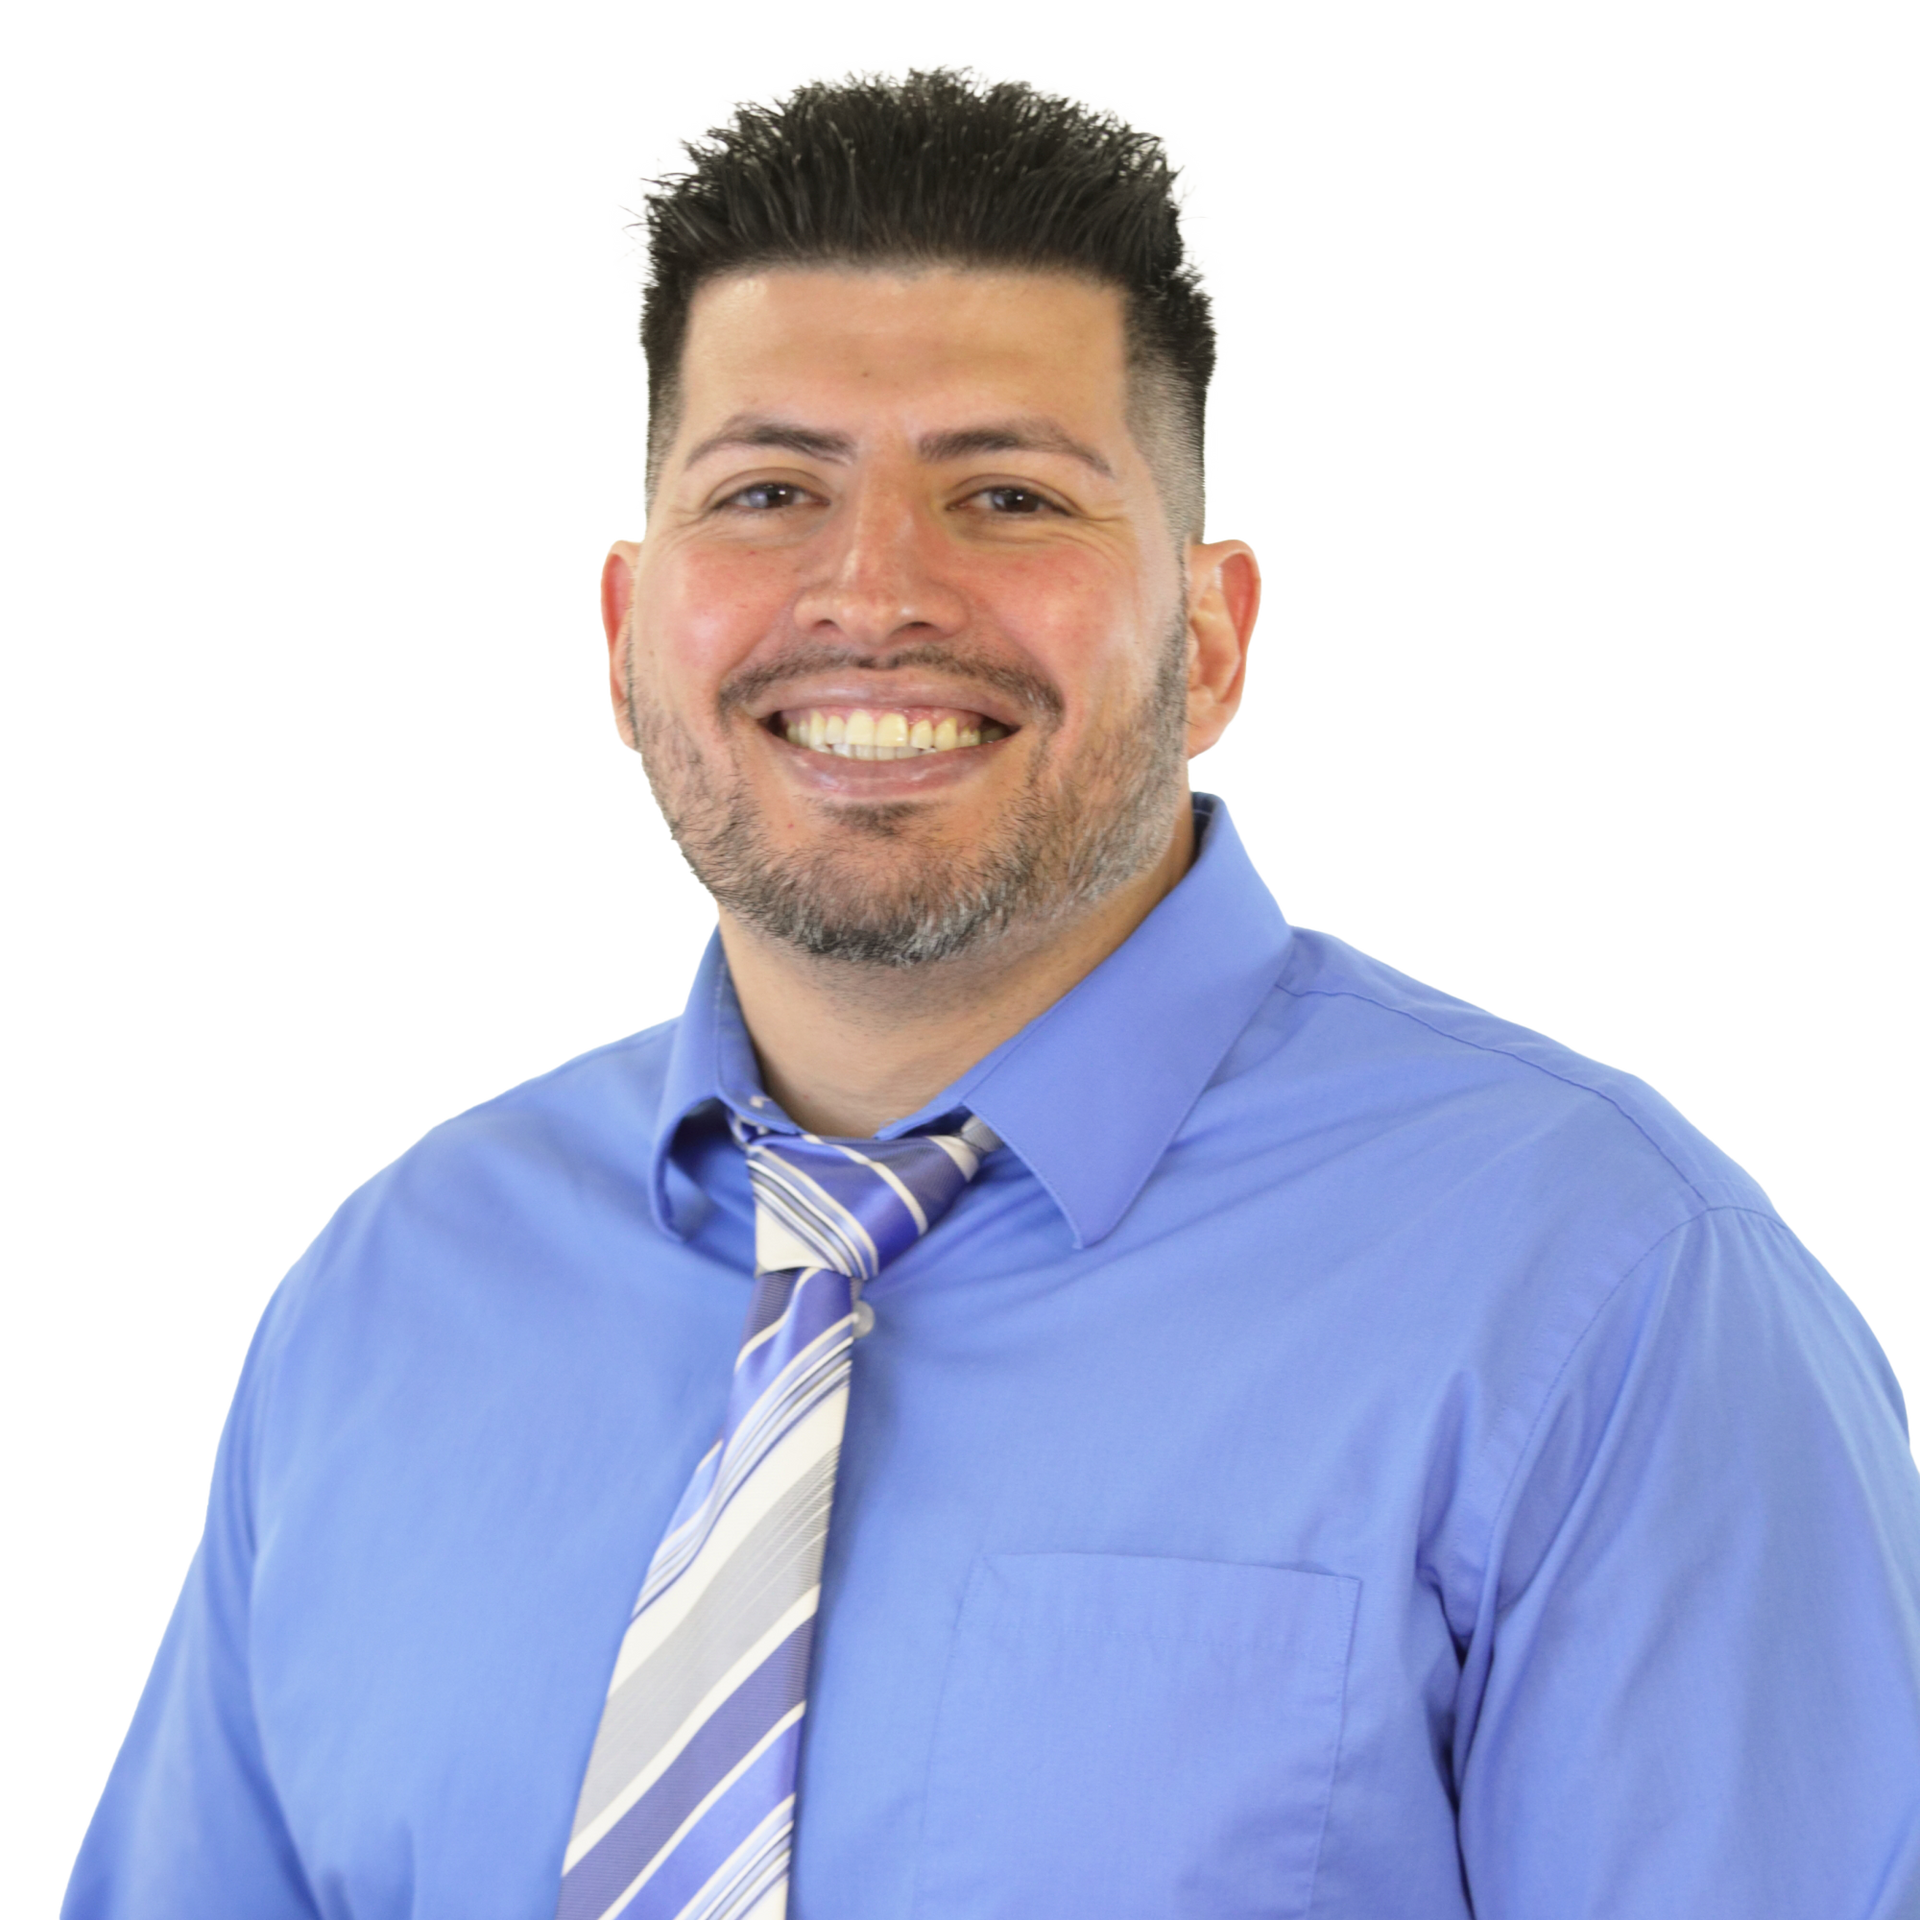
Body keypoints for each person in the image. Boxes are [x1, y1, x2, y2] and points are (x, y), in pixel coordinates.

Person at [64, 55, 1918, 1920]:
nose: (873, 592)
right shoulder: (387, 1299)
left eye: (1010, 496)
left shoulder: (1609, 1299)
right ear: (629, 641)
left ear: (1209, 640)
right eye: (771, 488)